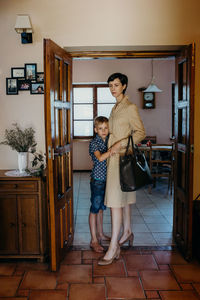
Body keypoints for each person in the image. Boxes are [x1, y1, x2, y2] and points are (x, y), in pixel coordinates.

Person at [98, 73, 146, 265]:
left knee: (115, 203)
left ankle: (114, 246)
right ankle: (126, 232)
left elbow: (140, 133)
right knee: (120, 200)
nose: (113, 88)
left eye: (116, 85)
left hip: (121, 159)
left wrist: (119, 146)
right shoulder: (116, 107)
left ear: (124, 86)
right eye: (110, 85)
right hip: (113, 160)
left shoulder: (130, 107)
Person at [89, 116, 111, 253]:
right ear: (96, 129)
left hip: (107, 179)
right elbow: (100, 157)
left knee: (102, 208)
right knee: (95, 209)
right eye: (101, 128)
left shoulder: (108, 141)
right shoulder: (94, 143)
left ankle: (101, 234)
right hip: (97, 180)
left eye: (106, 128)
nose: (103, 131)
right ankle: (93, 240)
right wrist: (112, 150)